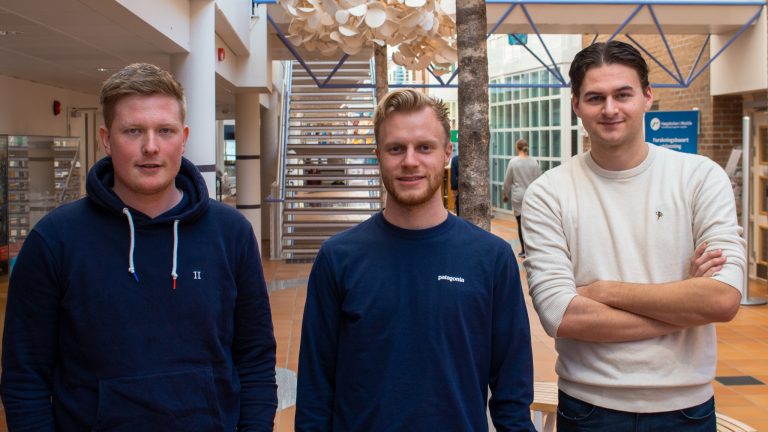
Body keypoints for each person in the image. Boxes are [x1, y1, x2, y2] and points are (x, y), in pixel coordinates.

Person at [1, 63, 277, 430]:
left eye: (165, 130)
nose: (150, 146)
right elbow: (25, 379)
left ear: (183, 138)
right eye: (133, 131)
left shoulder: (231, 234)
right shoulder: (54, 241)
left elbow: (255, 360)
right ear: (106, 139)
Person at [522, 41, 746, 431]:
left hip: (687, 410)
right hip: (589, 409)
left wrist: (602, 290)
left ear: (647, 96)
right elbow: (561, 315)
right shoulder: (549, 192)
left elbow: (723, 299)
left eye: (623, 94)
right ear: (576, 105)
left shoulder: (700, 177)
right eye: (595, 97)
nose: (610, 109)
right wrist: (686, 304)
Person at [295, 89, 534, 431]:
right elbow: (315, 394)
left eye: (424, 147)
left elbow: (513, 395)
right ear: (378, 155)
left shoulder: (491, 259)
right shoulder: (338, 258)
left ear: (447, 153)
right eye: (396, 148)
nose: (410, 161)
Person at [502, 138, 541, 258]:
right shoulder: (534, 162)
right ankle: (532, 250)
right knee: (531, 223)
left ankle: (524, 250)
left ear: (517, 148)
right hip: (532, 196)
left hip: (518, 197)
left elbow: (507, 180)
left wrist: (505, 194)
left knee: (520, 223)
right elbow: (539, 179)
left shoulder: (513, 162)